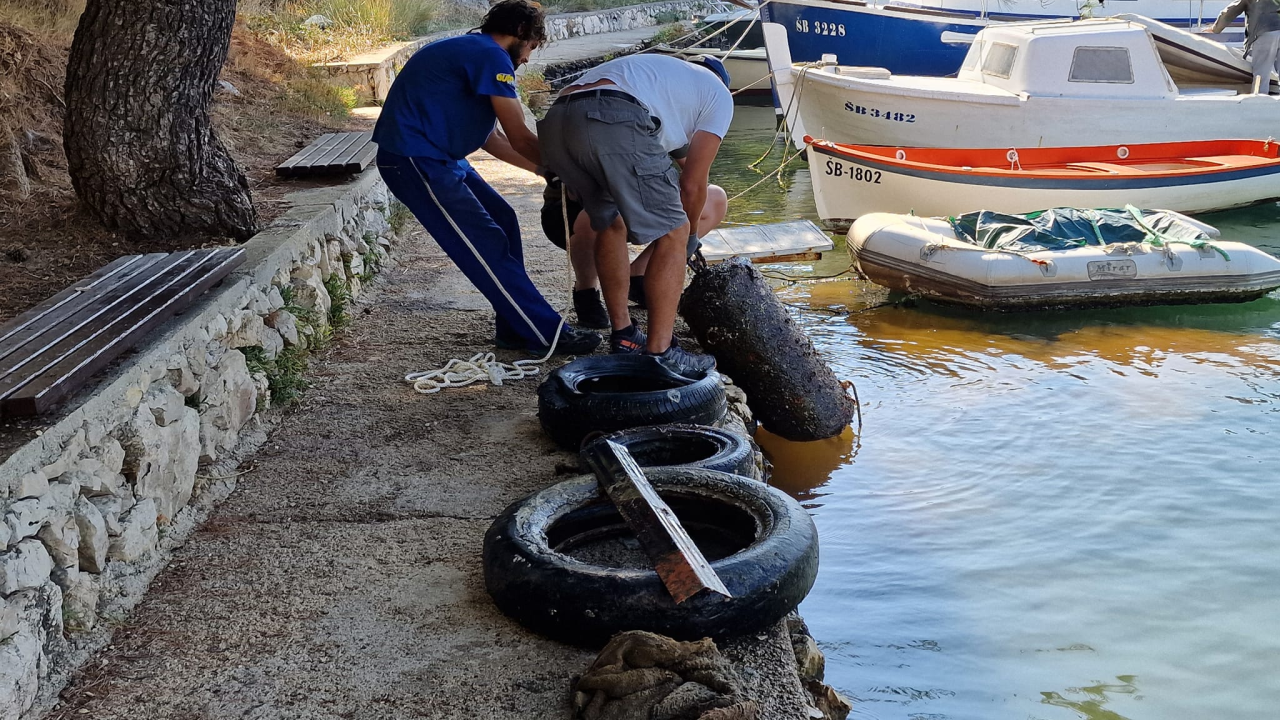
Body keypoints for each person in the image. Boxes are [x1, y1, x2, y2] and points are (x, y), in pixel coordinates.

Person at [373, 0, 602, 355]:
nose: (527, 59)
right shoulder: (492, 56)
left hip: (439, 158)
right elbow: (520, 137)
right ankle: (547, 334)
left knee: (504, 220)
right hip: (416, 160)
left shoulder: (473, 51)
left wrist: (545, 171)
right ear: (521, 32)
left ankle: (514, 327)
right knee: (485, 243)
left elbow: (492, 139)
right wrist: (573, 172)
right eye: (532, 47)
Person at [538, 54, 734, 372]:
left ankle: (625, 334)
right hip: (613, 116)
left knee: (610, 223)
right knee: (675, 230)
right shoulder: (720, 96)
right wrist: (690, 236)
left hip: (558, 120)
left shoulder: (664, 81)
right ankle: (661, 351)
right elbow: (693, 184)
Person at [540, 175, 729, 329]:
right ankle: (586, 290)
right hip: (576, 207)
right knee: (600, 212)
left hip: (642, 195)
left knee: (714, 199)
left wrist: (689, 236)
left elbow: (692, 173)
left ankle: (638, 274)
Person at [1206, 0, 1280, 93]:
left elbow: (1231, 10)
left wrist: (1215, 28)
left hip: (1265, 31)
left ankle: (1260, 98)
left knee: (1262, 72)